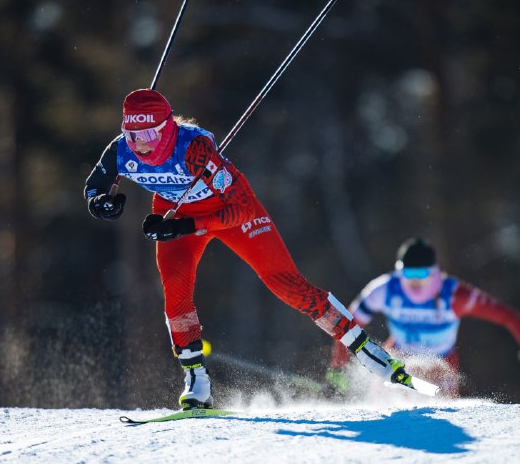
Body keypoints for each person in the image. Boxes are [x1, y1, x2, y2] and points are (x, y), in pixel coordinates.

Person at [84, 88, 417, 410]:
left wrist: (185, 226)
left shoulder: (194, 149)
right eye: (131, 135)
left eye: (149, 136)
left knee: (287, 285)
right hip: (177, 213)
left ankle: (365, 349)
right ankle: (196, 379)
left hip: (227, 212)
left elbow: (240, 210)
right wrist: (101, 203)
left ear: (167, 129)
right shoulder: (121, 151)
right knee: (175, 291)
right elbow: (94, 187)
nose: (140, 145)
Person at [327, 237, 520, 397]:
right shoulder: (386, 289)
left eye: (421, 274)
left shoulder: (453, 295)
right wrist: (339, 368)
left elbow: (507, 316)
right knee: (384, 409)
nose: (413, 280)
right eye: (407, 273)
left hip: (441, 362)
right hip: (397, 357)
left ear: (434, 273)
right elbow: (345, 324)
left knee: (439, 418)